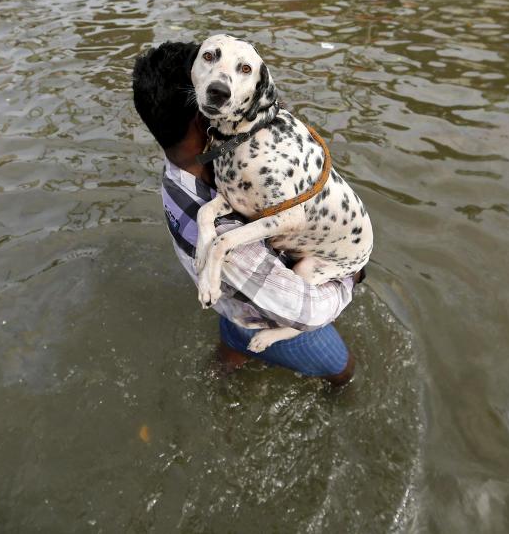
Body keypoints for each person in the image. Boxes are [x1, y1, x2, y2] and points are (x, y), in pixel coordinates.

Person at [132, 41, 359, 386]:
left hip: (231, 301)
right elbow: (308, 311)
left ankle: (217, 377)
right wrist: (351, 278)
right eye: (209, 65)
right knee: (344, 372)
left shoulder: (178, 173)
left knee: (229, 355)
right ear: (206, 111)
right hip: (263, 310)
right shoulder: (229, 242)